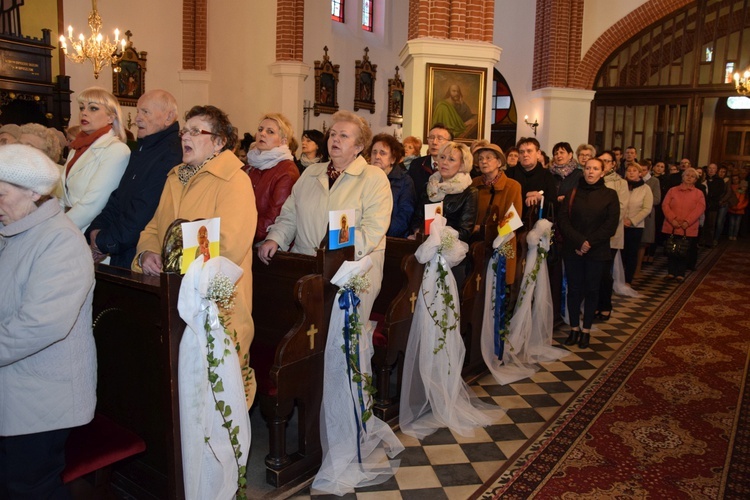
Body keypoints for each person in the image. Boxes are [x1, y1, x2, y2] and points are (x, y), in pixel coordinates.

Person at [258, 111, 398, 495]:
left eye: (344, 136)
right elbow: (289, 214)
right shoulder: (311, 173)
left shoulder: (374, 179)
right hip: (308, 272)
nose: (335, 140)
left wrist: (339, 263)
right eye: (332, 134)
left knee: (338, 352)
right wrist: (274, 237)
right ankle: (312, 425)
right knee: (309, 347)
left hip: (354, 275)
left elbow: (372, 230)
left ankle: (340, 425)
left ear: (359, 145)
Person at [133, 104, 258, 406]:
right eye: (183, 131)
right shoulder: (175, 177)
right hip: (176, 297)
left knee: (221, 390)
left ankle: (229, 451)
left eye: (195, 131)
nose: (185, 137)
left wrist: (176, 262)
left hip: (217, 303)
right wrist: (147, 252)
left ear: (218, 142)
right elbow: (154, 226)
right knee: (185, 391)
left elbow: (229, 245)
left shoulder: (234, 180)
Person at [0, 144, 96, 499]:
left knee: (27, 488)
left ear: (34, 193)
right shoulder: (17, 229)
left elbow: (39, 325)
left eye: (1, 194)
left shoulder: (61, 242)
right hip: (15, 383)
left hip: (42, 397)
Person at [85, 90, 182, 268]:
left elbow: (144, 211)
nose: (137, 118)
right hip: (121, 250)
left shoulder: (171, 154)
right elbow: (119, 197)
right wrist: (96, 230)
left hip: (139, 257)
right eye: (138, 111)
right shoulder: (143, 149)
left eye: (145, 112)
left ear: (168, 117)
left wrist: (104, 241)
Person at [558, 157, 620, 348]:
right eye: (587, 168)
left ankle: (586, 330)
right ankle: (574, 328)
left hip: (597, 250)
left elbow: (610, 225)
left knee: (592, 289)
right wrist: (579, 241)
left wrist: (589, 242)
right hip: (573, 249)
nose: (590, 172)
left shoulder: (610, 195)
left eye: (595, 169)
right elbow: (563, 221)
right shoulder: (572, 193)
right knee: (574, 289)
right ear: (583, 170)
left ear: (603, 172)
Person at [61, 87, 130, 232]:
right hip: (68, 226)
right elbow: (63, 194)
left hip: (89, 231)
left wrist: (56, 229)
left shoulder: (116, 150)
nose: (84, 112)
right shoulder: (76, 148)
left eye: (93, 108)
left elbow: (93, 204)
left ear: (111, 117)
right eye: (81, 108)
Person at [471, 140, 522, 286]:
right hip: (477, 244)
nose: (484, 162)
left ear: (499, 162)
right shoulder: (474, 184)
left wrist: (484, 229)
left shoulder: (512, 186)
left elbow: (512, 220)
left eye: (488, 158)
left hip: (502, 244)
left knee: (498, 290)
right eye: (480, 159)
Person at [246, 113, 299, 244]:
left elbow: (275, 217)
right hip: (245, 236)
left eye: (270, 132)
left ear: (283, 141)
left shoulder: (287, 170)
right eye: (260, 130)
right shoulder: (250, 166)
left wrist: (242, 235)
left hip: (265, 244)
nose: (262, 134)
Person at [596, 150, 628, 321]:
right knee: (593, 272)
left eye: (608, 161)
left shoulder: (620, 183)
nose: (605, 164)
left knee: (604, 273)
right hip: (593, 235)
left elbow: (620, 209)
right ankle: (593, 305)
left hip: (611, 235)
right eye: (601, 160)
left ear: (613, 164)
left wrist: (602, 227)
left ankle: (605, 305)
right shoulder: (592, 180)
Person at [661, 167, 705, 281]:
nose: (689, 177)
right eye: (687, 175)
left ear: (696, 180)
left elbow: (700, 208)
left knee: (684, 251)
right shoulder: (672, 190)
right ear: (682, 176)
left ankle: (680, 273)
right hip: (672, 226)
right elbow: (665, 205)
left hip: (688, 227)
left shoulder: (699, 193)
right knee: (671, 249)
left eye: (692, 176)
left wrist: (687, 221)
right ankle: (671, 272)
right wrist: (673, 219)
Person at [368, 133, 416, 237]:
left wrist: (379, 232)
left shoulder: (405, 181)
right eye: (374, 152)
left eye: (382, 153)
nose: (377, 157)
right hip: (367, 234)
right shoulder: (365, 178)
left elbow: (405, 216)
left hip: (392, 238)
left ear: (393, 159)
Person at [621, 164, 653, 284]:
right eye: (629, 170)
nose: (631, 173)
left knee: (631, 253)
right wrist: (622, 220)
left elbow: (646, 208)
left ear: (640, 173)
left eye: (634, 171)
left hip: (635, 226)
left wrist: (631, 221)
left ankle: (628, 279)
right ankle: (617, 278)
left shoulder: (645, 189)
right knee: (620, 254)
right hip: (620, 225)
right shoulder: (622, 186)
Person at [408, 123, 452, 202]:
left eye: (440, 138)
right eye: (431, 138)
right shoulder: (416, 164)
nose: (434, 142)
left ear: (449, 143)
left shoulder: (455, 167)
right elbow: (410, 194)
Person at [727, 174, 747, 241]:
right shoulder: (730, 187)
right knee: (731, 224)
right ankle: (730, 235)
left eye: (736, 179)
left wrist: (741, 206)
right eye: (733, 179)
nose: (735, 180)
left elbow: (745, 199)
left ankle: (735, 235)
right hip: (732, 208)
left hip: (740, 209)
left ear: (739, 179)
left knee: (737, 224)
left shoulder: (742, 188)